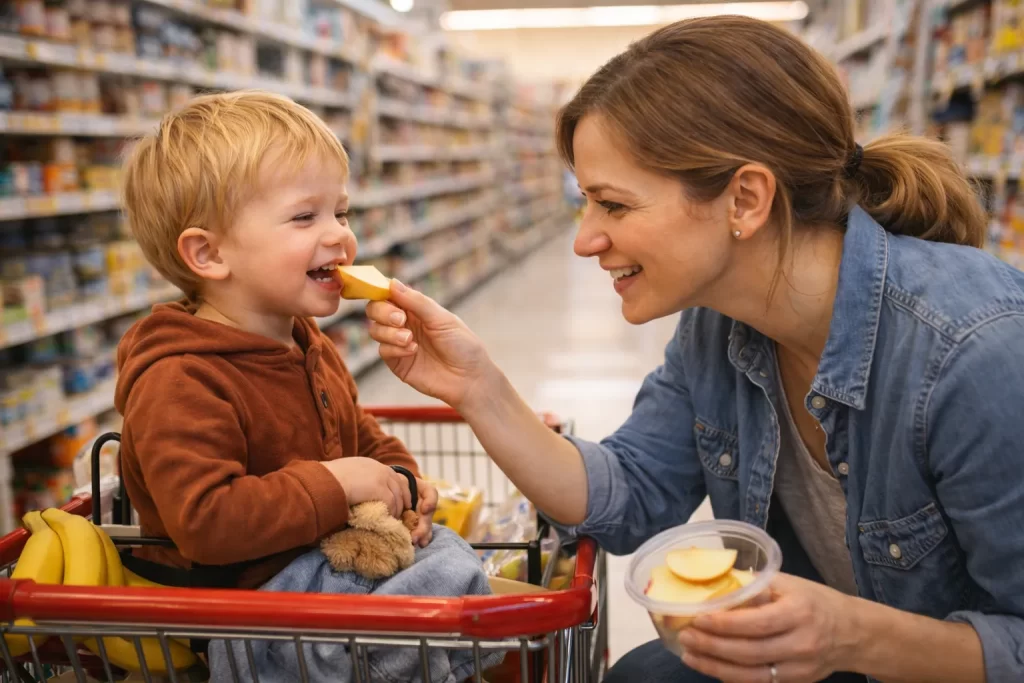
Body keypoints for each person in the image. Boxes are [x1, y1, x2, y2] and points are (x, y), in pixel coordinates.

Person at [364, 16, 1024, 683]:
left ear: (746, 199)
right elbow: (630, 494)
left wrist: (848, 635)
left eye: (614, 205)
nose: (584, 240)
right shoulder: (719, 326)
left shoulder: (974, 354)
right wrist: (478, 387)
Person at [115, 91, 437, 590]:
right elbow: (205, 522)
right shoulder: (180, 378)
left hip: (317, 567)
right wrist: (336, 485)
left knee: (448, 562)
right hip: (239, 605)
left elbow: (357, 432)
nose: (340, 236)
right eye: (305, 217)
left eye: (341, 213)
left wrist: (402, 480)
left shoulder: (304, 341)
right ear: (209, 254)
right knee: (446, 583)